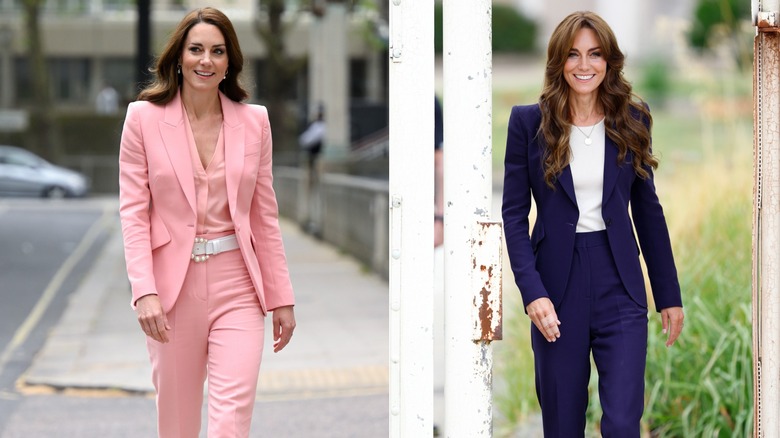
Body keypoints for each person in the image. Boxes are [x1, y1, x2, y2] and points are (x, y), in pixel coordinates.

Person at [501, 11, 684, 437]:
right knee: (563, 423)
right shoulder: (529, 123)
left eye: (595, 54)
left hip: (618, 280)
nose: (585, 66)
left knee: (622, 422)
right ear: (558, 62)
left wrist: (668, 294)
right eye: (574, 55)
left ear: (609, 61)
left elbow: (648, 210)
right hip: (556, 286)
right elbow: (513, 214)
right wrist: (533, 294)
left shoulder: (632, 120)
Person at [118, 7, 296, 437]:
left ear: (229, 62)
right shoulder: (142, 120)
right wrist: (145, 291)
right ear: (178, 57)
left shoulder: (255, 123)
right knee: (177, 423)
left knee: (230, 422)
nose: (206, 60)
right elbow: (133, 212)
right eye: (196, 49)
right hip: (171, 292)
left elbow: (264, 216)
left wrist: (281, 296)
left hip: (238, 283)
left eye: (217, 51)